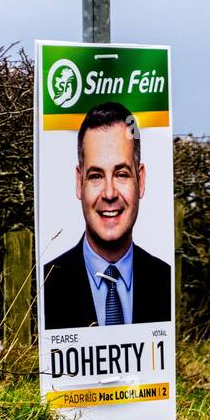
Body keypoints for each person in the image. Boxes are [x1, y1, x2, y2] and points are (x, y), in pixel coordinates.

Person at [42, 101, 171, 329]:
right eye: (95, 176)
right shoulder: (43, 285)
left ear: (140, 181)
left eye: (121, 174)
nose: (109, 193)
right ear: (78, 182)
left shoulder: (166, 281)